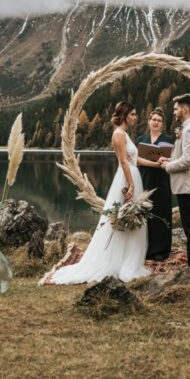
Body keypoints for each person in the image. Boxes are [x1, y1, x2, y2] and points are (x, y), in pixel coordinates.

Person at [50, 102, 150, 284]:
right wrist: (131, 185)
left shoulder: (125, 134)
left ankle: (128, 258)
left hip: (133, 176)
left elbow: (135, 160)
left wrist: (157, 163)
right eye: (133, 114)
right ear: (125, 115)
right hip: (127, 178)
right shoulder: (118, 134)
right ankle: (115, 260)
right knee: (120, 218)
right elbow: (124, 163)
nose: (136, 117)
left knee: (131, 218)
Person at [159, 93, 190, 267]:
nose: (174, 111)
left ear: (184, 110)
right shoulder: (188, 127)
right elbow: (182, 156)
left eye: (176, 108)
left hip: (187, 185)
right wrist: (168, 160)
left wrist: (167, 167)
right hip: (185, 184)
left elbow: (187, 161)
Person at [136, 107, 174, 261]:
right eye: (154, 120)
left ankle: (161, 251)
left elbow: (174, 158)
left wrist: (165, 161)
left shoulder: (168, 140)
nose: (156, 122)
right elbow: (135, 159)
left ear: (162, 124)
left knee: (161, 213)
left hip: (162, 181)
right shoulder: (141, 139)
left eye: (159, 120)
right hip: (144, 179)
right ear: (149, 121)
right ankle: (145, 249)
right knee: (144, 215)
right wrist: (155, 163)